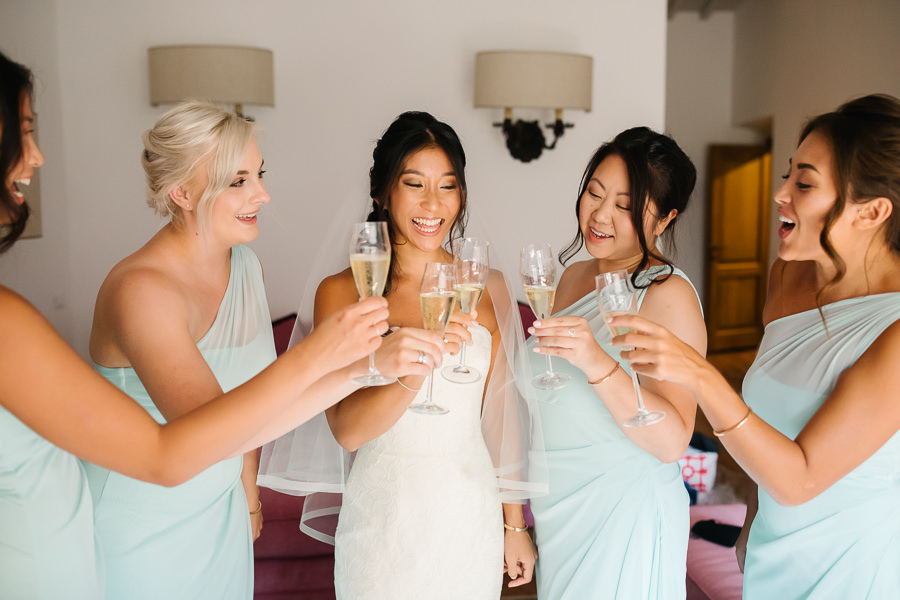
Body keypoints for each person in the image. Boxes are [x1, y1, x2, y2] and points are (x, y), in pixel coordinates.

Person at [0, 51, 394, 600]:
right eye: (238, 181)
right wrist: (320, 355)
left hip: (219, 511)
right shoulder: (141, 291)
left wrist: (371, 367)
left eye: (259, 174)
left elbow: (248, 419)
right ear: (182, 194)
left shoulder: (246, 267)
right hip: (143, 522)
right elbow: (207, 429)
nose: (262, 194)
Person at [613, 94, 900, 599]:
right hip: (769, 556)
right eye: (789, 175)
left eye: (804, 183)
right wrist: (750, 517)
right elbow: (770, 434)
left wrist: (699, 375)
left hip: (853, 570)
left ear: (872, 210)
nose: (779, 193)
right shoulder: (787, 277)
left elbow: (801, 478)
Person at [259, 111, 545, 600]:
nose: (433, 203)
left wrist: (514, 525)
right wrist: (417, 365)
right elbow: (347, 431)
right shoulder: (342, 292)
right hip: (382, 521)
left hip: (467, 517)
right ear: (382, 193)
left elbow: (500, 419)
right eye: (415, 184)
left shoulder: (486, 285)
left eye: (448, 186)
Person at [527, 126, 706, 599]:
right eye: (594, 192)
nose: (600, 215)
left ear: (664, 220)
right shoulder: (573, 277)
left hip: (623, 506)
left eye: (625, 206)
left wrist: (595, 362)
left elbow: (671, 439)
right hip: (560, 505)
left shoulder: (667, 295)